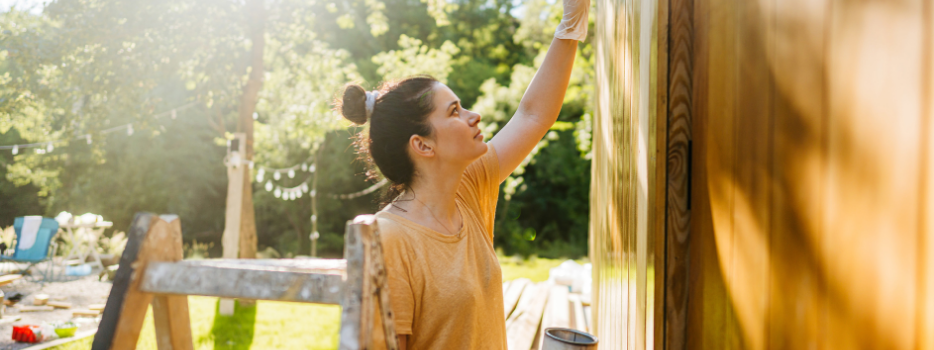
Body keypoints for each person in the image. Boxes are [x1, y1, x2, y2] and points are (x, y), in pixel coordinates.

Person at [336, 0, 589, 347]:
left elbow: (534, 115)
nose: (474, 116)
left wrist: (571, 24)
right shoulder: (390, 239)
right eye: (455, 111)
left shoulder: (468, 189)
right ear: (423, 146)